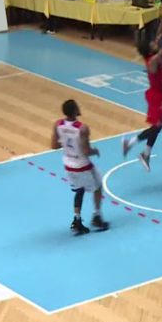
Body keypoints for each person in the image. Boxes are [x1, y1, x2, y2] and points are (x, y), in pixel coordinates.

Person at [122, 18, 162, 171]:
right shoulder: (153, 60)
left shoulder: (152, 53)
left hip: (160, 94)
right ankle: (136, 147)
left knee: (157, 127)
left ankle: (141, 151)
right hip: (156, 96)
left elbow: (159, 37)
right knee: (157, 127)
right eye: (152, 43)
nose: (155, 42)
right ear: (149, 49)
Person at [51, 99, 109, 235]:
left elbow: (54, 145)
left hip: (68, 164)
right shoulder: (82, 128)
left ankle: (77, 220)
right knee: (98, 187)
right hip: (82, 164)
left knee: (79, 190)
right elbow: (86, 151)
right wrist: (95, 151)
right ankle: (97, 217)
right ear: (75, 110)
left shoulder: (58, 124)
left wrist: (65, 142)